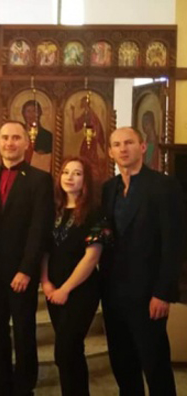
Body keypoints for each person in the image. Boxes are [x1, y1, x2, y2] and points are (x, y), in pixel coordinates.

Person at [0, 121, 54, 396]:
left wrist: (27, 269)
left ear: (26, 143)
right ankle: (2, 386)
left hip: (20, 273)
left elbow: (40, 228)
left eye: (16, 138)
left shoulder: (40, 179)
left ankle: (24, 387)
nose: (9, 143)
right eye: (5, 137)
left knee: (24, 331)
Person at [101, 127, 186, 396]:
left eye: (129, 142)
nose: (123, 148)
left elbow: (174, 244)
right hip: (114, 293)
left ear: (143, 146)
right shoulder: (108, 189)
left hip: (149, 295)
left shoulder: (164, 185)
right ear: (110, 151)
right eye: (117, 144)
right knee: (123, 366)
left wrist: (163, 292)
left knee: (155, 365)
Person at [40, 157, 111, 396]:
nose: (70, 177)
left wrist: (66, 289)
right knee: (70, 353)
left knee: (65, 349)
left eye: (77, 173)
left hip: (81, 290)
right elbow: (45, 250)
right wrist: (46, 283)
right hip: (54, 288)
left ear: (86, 180)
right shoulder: (53, 210)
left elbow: (92, 257)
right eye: (66, 172)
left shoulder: (95, 212)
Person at [21, 100, 53, 173]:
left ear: (40, 113)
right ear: (23, 114)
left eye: (34, 111)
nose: (31, 115)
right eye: (28, 111)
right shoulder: (18, 134)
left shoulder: (47, 136)